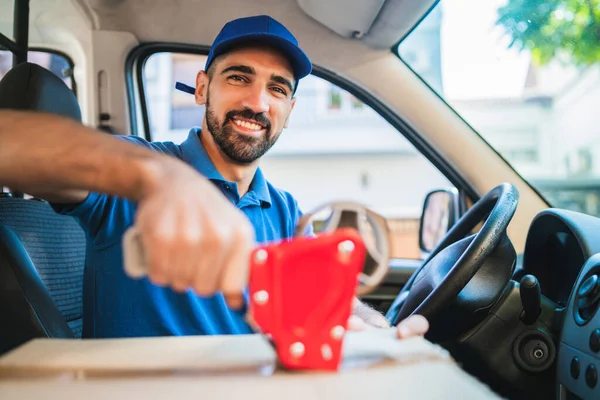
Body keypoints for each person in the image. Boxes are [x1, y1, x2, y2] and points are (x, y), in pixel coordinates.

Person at [0, 15, 428, 339]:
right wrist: (158, 179)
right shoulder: (133, 171)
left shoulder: (285, 210)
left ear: (290, 110)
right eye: (239, 78)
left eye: (277, 88)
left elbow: (333, 304)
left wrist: (382, 334)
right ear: (202, 88)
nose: (257, 103)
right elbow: (12, 146)